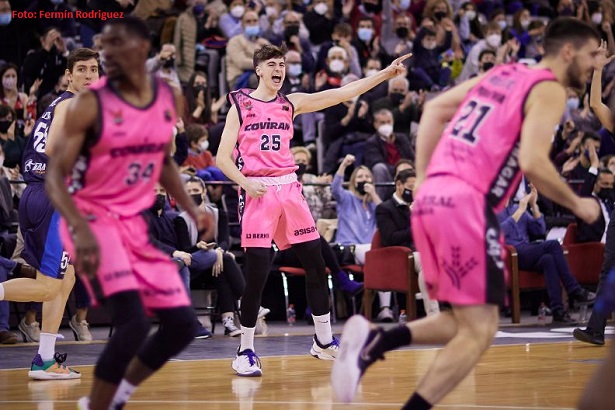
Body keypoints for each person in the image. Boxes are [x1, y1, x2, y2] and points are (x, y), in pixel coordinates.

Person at [332, 17, 601, 408]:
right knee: (479, 331)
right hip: (467, 204)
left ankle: (377, 341)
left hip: (433, 200)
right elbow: (533, 161)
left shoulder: (504, 73)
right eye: (592, 55)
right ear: (569, 51)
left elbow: (436, 108)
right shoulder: (547, 87)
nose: (596, 64)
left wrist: (425, 178)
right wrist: (579, 204)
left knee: (469, 321)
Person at [44, 17, 213, 410]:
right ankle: (99, 404)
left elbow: (162, 162)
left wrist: (192, 209)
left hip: (131, 227)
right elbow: (55, 174)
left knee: (181, 325)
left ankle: (113, 397)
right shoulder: (88, 105)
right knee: (134, 323)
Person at [216, 43, 411, 377]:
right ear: (259, 70)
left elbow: (343, 93)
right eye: (272, 64)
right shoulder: (241, 104)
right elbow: (222, 159)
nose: (279, 69)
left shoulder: (291, 103)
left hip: (289, 188)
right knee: (258, 272)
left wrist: (385, 74)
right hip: (257, 189)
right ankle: (245, 350)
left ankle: (323, 341)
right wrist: (246, 183)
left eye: (282, 64)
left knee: (317, 265)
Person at [0, 48, 100, 380]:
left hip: (35, 195)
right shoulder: (72, 105)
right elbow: (54, 146)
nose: (89, 75)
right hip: (55, 199)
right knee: (47, 287)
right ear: (69, 75)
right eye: (82, 69)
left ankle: (44, 359)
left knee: (65, 278)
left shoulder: (57, 104)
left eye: (94, 69)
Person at [498, 184, 596, 323]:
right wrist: (520, 211)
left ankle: (558, 311)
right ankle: (575, 290)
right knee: (554, 245)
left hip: (527, 250)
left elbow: (539, 230)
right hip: (511, 255)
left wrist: (534, 206)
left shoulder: (516, 207)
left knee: (548, 259)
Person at [375, 169, 440, 317]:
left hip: (421, 251)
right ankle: (434, 315)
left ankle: (463, 314)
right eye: (411, 187)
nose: (414, 191)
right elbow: (390, 238)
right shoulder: (384, 209)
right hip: (400, 255)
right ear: (399, 185)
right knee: (425, 261)